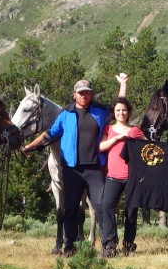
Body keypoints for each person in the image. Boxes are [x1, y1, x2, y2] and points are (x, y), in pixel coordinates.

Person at [22, 74, 127, 257]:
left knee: (103, 206)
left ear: (91, 94)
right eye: (80, 93)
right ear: (74, 95)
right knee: (70, 207)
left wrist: (123, 84)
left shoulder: (100, 112)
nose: (84, 96)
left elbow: (120, 105)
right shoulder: (66, 114)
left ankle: (109, 245)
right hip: (72, 169)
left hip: (95, 168)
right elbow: (50, 133)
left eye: (87, 93)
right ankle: (69, 246)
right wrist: (31, 146)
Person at [98, 75, 145, 258]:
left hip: (132, 177)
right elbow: (101, 146)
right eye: (118, 110)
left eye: (124, 110)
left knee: (131, 212)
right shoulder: (109, 129)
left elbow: (149, 149)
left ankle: (128, 244)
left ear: (128, 113)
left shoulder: (135, 130)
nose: (121, 113)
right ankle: (110, 244)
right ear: (114, 112)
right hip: (113, 177)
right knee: (106, 207)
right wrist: (117, 138)